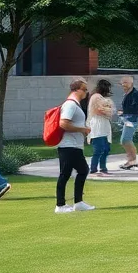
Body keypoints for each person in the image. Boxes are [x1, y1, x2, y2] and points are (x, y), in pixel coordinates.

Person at [54, 79, 94, 213]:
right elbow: (63, 124)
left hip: (73, 146)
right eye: (84, 89)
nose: (86, 92)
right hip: (68, 145)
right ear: (76, 90)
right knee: (67, 173)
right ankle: (60, 205)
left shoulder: (75, 104)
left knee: (80, 171)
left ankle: (78, 202)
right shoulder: (70, 105)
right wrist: (82, 129)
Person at [86, 79, 115, 176]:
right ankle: (93, 169)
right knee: (99, 148)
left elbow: (109, 111)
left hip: (104, 125)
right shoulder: (95, 97)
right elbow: (98, 110)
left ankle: (103, 168)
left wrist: (108, 111)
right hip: (97, 125)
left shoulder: (102, 98)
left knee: (106, 148)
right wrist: (108, 111)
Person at [117, 76, 138, 170]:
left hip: (131, 120)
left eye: (125, 82)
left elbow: (135, 109)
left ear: (131, 83)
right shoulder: (127, 94)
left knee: (125, 140)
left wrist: (123, 112)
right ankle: (131, 160)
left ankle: (133, 161)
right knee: (126, 140)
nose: (123, 84)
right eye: (122, 83)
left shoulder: (135, 94)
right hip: (127, 120)